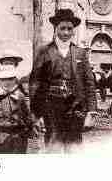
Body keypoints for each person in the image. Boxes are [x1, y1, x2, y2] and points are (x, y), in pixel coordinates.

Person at [29, 8, 97, 153]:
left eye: (69, 29)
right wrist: (36, 114)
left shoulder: (80, 53)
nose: (66, 33)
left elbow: (89, 83)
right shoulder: (44, 51)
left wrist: (91, 111)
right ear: (56, 29)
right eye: (62, 28)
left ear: (73, 30)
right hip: (51, 109)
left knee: (74, 148)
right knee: (53, 147)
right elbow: (35, 83)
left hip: (75, 109)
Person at [0, 66, 33, 153]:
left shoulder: (20, 95)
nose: (7, 82)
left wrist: (29, 129)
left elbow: (26, 115)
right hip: (1, 134)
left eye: (10, 79)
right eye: (3, 79)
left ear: (15, 80)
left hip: (19, 135)